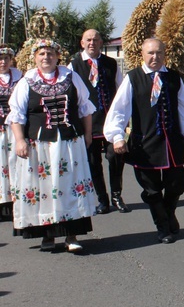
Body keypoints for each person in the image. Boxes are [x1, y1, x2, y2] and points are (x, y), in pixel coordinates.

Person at [7, 39, 97, 252]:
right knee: (44, 188)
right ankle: (47, 235)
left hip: (69, 143)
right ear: (34, 57)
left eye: (50, 53)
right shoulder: (26, 81)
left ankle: (71, 234)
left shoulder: (71, 76)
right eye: (41, 54)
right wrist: (19, 140)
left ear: (58, 56)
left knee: (70, 187)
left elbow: (85, 108)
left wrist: (88, 134)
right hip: (40, 146)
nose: (46, 57)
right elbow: (17, 116)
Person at [103, 38, 184, 244]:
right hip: (145, 142)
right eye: (151, 53)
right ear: (143, 54)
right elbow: (119, 109)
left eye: (159, 53)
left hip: (171, 142)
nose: (155, 57)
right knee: (152, 189)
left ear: (165, 54)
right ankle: (163, 227)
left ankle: (169, 213)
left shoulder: (173, 77)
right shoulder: (133, 78)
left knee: (178, 183)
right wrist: (117, 136)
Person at [68, 29, 129, 214]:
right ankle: (102, 199)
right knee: (93, 162)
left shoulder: (110, 63)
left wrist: (124, 120)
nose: (92, 43)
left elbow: (121, 91)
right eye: (88, 40)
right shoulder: (74, 66)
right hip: (89, 123)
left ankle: (117, 195)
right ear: (82, 42)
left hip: (110, 121)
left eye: (95, 39)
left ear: (101, 42)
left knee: (115, 158)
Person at [0, 45, 22, 221]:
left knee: (14, 162)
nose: (3, 62)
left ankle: (15, 200)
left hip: (13, 128)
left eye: (6, 58)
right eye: (0, 59)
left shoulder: (19, 76)